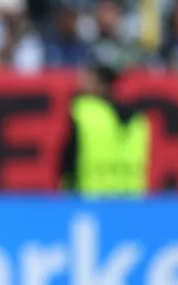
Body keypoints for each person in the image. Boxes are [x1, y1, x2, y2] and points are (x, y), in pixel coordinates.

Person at [60, 40, 151, 196]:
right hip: (130, 207)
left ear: (100, 82)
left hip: (88, 208)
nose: (81, 79)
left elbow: (67, 165)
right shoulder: (138, 120)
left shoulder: (83, 112)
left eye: (87, 74)